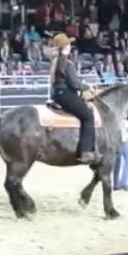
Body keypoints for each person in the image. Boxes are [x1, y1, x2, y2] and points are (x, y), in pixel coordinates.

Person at [49, 33, 96, 163]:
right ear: (65, 47)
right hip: (65, 94)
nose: (70, 46)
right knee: (88, 116)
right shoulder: (67, 63)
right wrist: (87, 87)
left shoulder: (56, 61)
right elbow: (74, 84)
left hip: (57, 94)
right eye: (69, 44)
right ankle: (86, 151)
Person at [113, 119, 128, 192]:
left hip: (120, 142)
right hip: (121, 142)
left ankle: (118, 184)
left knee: (119, 163)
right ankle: (121, 183)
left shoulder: (119, 118)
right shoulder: (124, 121)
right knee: (124, 163)